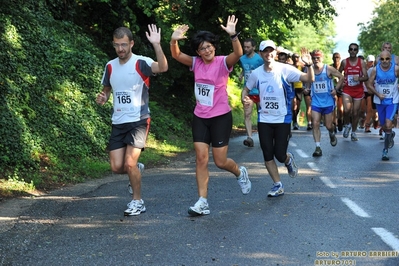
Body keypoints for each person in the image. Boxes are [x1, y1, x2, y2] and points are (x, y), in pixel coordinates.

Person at [170, 15, 251, 216]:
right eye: (202, 49)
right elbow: (177, 55)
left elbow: (238, 53)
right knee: (201, 158)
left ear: (214, 47)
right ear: (198, 52)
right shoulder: (196, 62)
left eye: (209, 47)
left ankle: (240, 173)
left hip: (220, 116)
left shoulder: (223, 62)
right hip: (200, 116)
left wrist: (233, 35)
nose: (206, 51)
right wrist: (173, 40)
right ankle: (202, 201)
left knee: (220, 161)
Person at [96, 25, 168, 216]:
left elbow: (163, 67)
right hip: (118, 121)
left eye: (124, 45)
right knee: (116, 167)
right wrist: (103, 97)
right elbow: (106, 89)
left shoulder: (141, 62)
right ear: (113, 45)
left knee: (128, 163)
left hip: (139, 120)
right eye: (117, 45)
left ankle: (138, 201)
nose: (121, 49)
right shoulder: (110, 66)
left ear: (132, 44)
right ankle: (135, 170)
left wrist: (157, 45)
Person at [242, 40, 315, 197]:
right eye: (265, 51)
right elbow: (246, 90)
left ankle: (288, 160)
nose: (269, 54)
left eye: (271, 51)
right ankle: (277, 184)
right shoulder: (256, 73)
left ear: (275, 53)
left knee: (279, 155)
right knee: (267, 154)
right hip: (264, 119)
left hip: (282, 119)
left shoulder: (286, 70)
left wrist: (308, 66)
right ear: (261, 54)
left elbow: (309, 79)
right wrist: (245, 99)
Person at [305, 50, 344, 157]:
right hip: (316, 102)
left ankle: (332, 133)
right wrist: (307, 88)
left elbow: (341, 77)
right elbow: (309, 79)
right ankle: (318, 147)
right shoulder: (311, 69)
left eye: (318, 58)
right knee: (315, 123)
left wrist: (336, 89)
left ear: (322, 58)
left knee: (328, 125)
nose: (316, 60)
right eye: (314, 58)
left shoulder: (328, 69)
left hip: (328, 101)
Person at [366, 50, 399, 160]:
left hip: (392, 101)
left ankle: (385, 150)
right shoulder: (376, 70)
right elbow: (369, 84)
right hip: (379, 101)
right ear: (379, 60)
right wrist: (377, 94)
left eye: (387, 59)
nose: (384, 61)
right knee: (383, 125)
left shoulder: (396, 69)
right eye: (382, 59)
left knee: (388, 124)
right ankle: (390, 134)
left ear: (391, 59)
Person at [338, 43, 368, 141]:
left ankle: (354, 132)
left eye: (355, 49)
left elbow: (366, 77)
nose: (353, 51)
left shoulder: (362, 62)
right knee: (346, 110)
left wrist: (359, 78)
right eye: (351, 49)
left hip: (358, 90)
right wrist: (341, 82)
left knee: (355, 113)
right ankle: (347, 125)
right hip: (347, 89)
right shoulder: (344, 62)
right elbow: (338, 73)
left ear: (357, 51)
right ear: (348, 50)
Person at [239, 38, 264, 147]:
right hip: (248, 91)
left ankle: (264, 137)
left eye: (248, 47)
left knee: (262, 115)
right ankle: (249, 138)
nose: (246, 49)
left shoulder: (259, 59)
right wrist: (241, 74)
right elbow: (245, 68)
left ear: (253, 47)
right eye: (244, 47)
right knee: (247, 114)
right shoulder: (242, 58)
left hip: (260, 91)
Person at [363, 55, 377, 133]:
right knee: (369, 109)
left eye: (372, 61)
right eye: (370, 61)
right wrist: (368, 88)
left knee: (375, 113)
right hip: (369, 91)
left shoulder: (384, 70)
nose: (371, 63)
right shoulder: (370, 70)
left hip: (378, 92)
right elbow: (366, 80)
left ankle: (376, 121)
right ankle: (367, 125)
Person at [291, 53, 305, 130]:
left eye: (297, 57)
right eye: (294, 57)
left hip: (299, 88)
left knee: (298, 107)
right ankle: (294, 122)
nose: (296, 58)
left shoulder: (301, 67)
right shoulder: (290, 67)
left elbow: (304, 76)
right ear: (292, 58)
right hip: (293, 88)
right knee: (294, 106)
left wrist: (304, 86)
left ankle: (296, 118)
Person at [331, 52, 344, 132]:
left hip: (341, 90)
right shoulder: (330, 67)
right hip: (332, 90)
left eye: (338, 57)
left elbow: (345, 78)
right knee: (333, 108)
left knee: (341, 109)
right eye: (335, 57)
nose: (336, 59)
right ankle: (334, 123)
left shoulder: (343, 68)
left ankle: (340, 120)